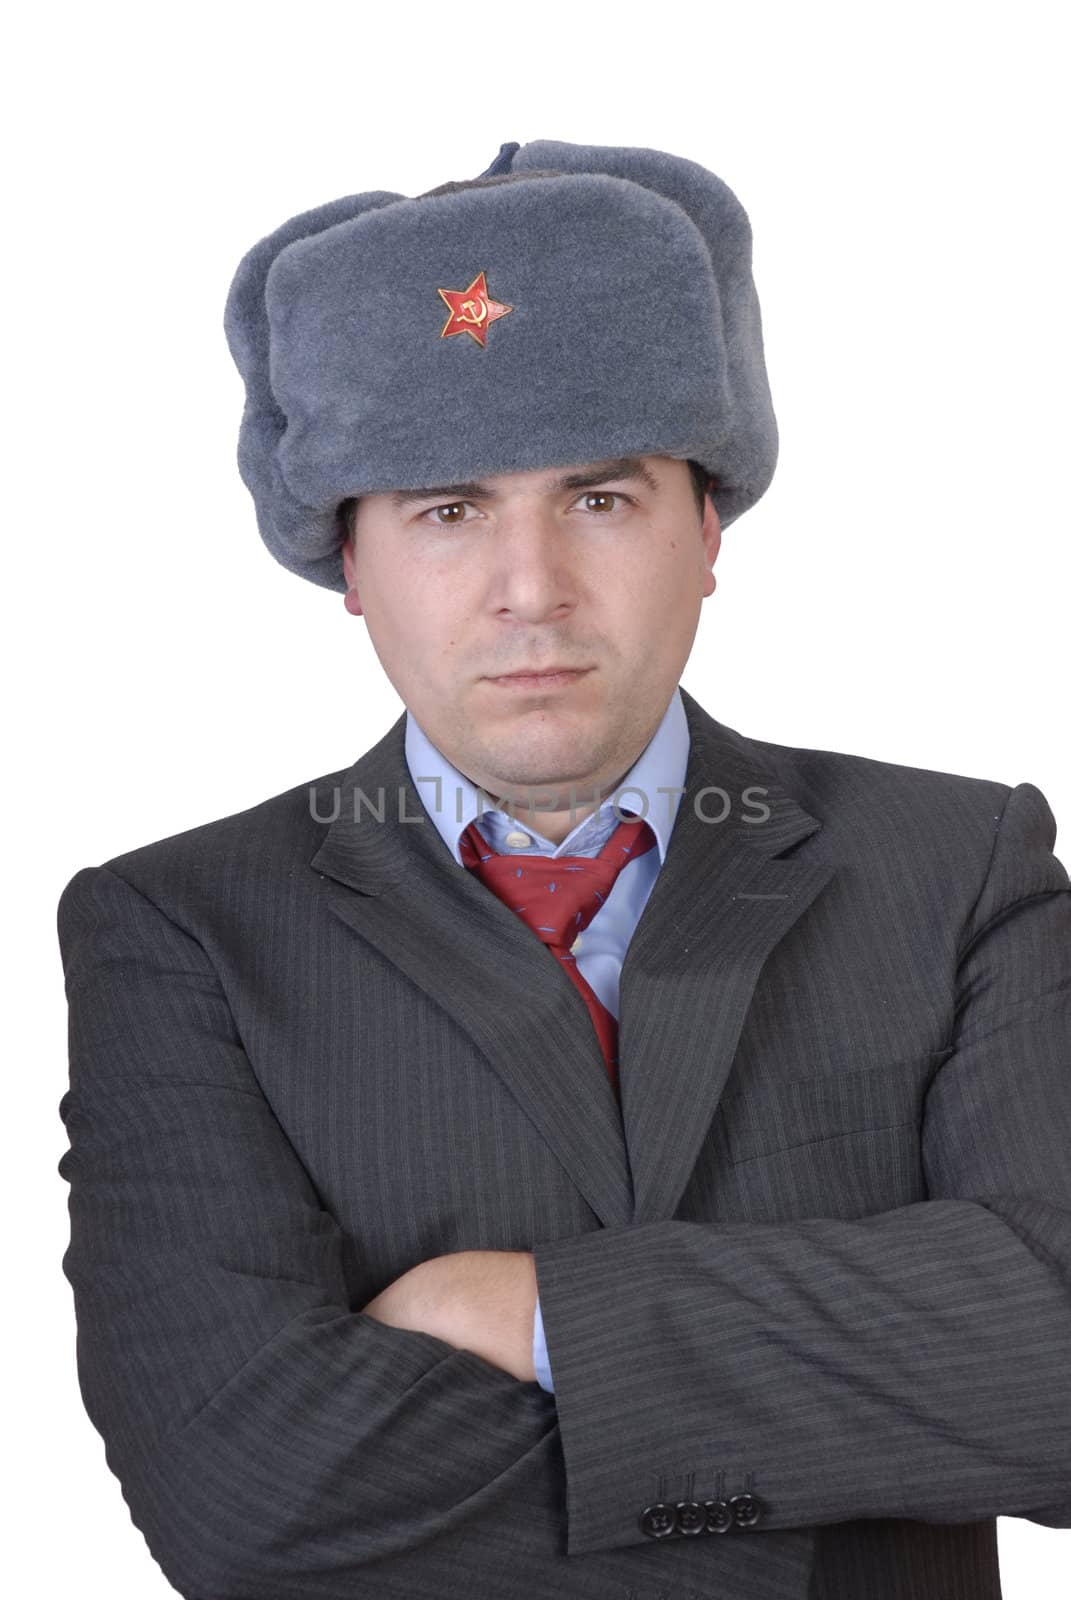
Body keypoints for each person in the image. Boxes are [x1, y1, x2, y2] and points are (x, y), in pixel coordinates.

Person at [56, 137, 1071, 1600]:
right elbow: (240, 1492)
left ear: (707, 527)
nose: (531, 589)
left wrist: (533, 1318)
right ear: (350, 564)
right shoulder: (184, 933)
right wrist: (852, 1446)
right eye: (447, 509)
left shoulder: (961, 868)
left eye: (600, 498)